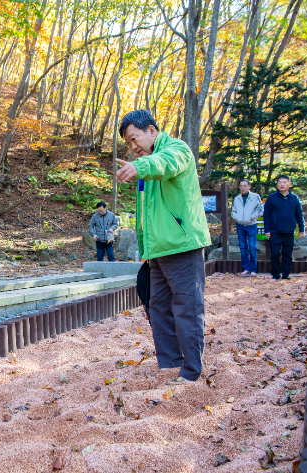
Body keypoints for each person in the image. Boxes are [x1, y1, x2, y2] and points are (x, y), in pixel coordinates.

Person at [115, 110, 211, 384]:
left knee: (187, 307)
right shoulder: (147, 164)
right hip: (158, 252)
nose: (133, 148)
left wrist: (141, 167)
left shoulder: (176, 149)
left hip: (182, 246)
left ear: (152, 131)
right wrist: (144, 251)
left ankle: (192, 371)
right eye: (129, 143)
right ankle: (171, 363)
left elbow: (167, 163)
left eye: (135, 139)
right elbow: (147, 213)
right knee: (158, 306)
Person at [263, 175, 305, 280]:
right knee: (275, 254)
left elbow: (299, 215)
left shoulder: (294, 198)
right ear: (277, 184)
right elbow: (266, 215)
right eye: (280, 182)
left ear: (289, 184)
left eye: (284, 182)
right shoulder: (272, 198)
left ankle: (286, 275)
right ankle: (275, 274)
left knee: (287, 254)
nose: (282, 184)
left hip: (289, 231)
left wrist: (302, 229)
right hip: (275, 231)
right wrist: (267, 230)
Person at [231, 179, 263, 277]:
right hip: (240, 225)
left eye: (245, 186)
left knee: (252, 247)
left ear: (249, 186)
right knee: (243, 248)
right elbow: (233, 211)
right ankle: (246, 268)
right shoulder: (237, 198)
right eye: (241, 186)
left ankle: (253, 269)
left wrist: (252, 217)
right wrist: (237, 218)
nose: (243, 188)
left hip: (251, 225)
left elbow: (261, 210)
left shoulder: (255, 197)